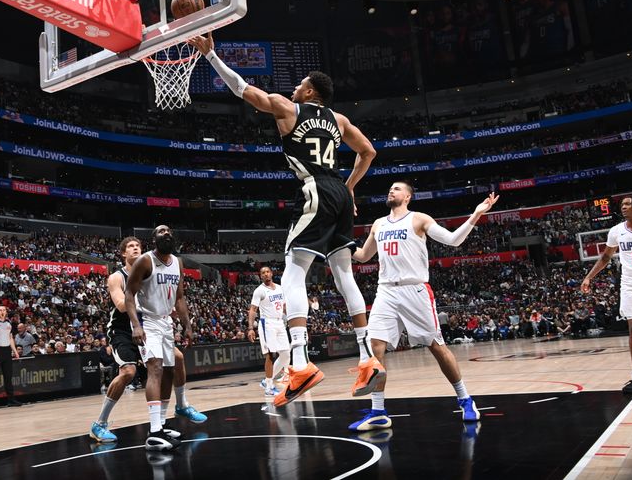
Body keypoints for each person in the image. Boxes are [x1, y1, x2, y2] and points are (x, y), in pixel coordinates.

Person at [189, 34, 379, 408]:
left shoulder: (289, 110)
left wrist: (211, 55)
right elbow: (368, 151)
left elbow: (242, 89)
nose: (294, 88)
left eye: (299, 84)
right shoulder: (339, 120)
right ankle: (368, 358)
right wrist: (351, 187)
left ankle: (300, 363)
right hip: (338, 192)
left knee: (294, 272)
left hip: (314, 190)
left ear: (310, 92)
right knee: (344, 275)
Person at [349, 182, 498, 431]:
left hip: (414, 289)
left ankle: (465, 399)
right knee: (375, 348)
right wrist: (341, 244)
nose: (391, 191)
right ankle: (378, 412)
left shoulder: (419, 219)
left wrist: (477, 213)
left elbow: (452, 240)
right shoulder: (378, 223)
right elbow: (364, 256)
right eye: (390, 189)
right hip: (385, 290)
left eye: (396, 189)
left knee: (437, 346)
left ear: (407, 196)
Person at [90, 236, 205, 444]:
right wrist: (146, 297)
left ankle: (175, 410)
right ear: (123, 253)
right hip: (123, 330)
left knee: (176, 359)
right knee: (128, 372)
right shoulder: (117, 277)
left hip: (147, 327)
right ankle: (100, 423)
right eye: (130, 247)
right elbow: (122, 304)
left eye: (138, 246)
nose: (135, 249)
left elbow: (172, 295)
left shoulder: (151, 269)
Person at [126, 226, 193, 452]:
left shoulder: (178, 262)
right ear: (153, 239)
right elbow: (129, 294)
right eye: (160, 231)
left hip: (166, 322)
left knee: (169, 372)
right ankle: (154, 431)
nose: (166, 233)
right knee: (154, 368)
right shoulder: (145, 261)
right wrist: (136, 325)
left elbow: (180, 297)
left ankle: (162, 424)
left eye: (169, 231)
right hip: (148, 320)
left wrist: (187, 324)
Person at [582, 195, 632, 393]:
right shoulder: (616, 231)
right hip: (629, 284)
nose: (624, 207)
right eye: (622, 205)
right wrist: (588, 277)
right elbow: (606, 257)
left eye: (628, 204)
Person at [247, 266, 290, 396]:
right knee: (270, 355)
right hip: (267, 323)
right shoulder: (259, 291)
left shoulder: (280, 288)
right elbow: (253, 310)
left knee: (286, 354)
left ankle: (266, 381)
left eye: (267, 272)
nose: (265, 274)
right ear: (260, 276)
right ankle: (269, 387)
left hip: (280, 322)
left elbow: (283, 307)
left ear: (271, 273)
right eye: (263, 273)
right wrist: (250, 328)